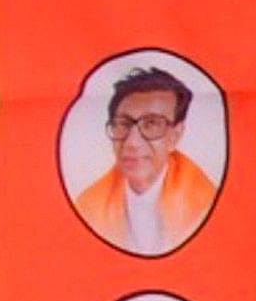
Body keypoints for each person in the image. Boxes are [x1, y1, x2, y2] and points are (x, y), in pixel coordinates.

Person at [74, 66, 219, 256]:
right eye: (124, 124)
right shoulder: (90, 207)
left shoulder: (204, 204)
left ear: (175, 136)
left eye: (151, 124)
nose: (132, 143)